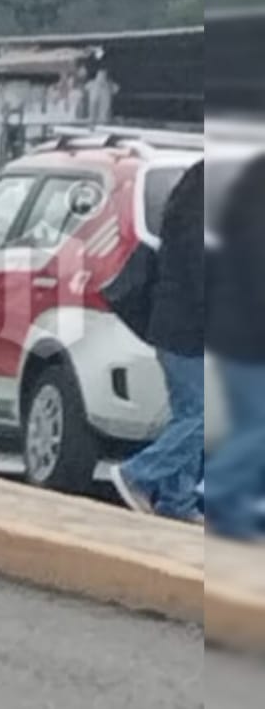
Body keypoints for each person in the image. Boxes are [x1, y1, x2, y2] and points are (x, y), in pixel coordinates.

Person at [110, 161, 206, 522]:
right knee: (201, 416)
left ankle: (176, 501)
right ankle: (137, 473)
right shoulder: (199, 224)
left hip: (180, 327)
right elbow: (204, 277)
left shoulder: (189, 209)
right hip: (186, 328)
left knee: (190, 413)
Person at [206, 153, 265, 539]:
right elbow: (257, 270)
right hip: (248, 336)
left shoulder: (250, 190)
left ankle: (232, 513)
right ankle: (215, 488)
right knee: (259, 428)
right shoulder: (257, 199)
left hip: (241, 332)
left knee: (251, 426)